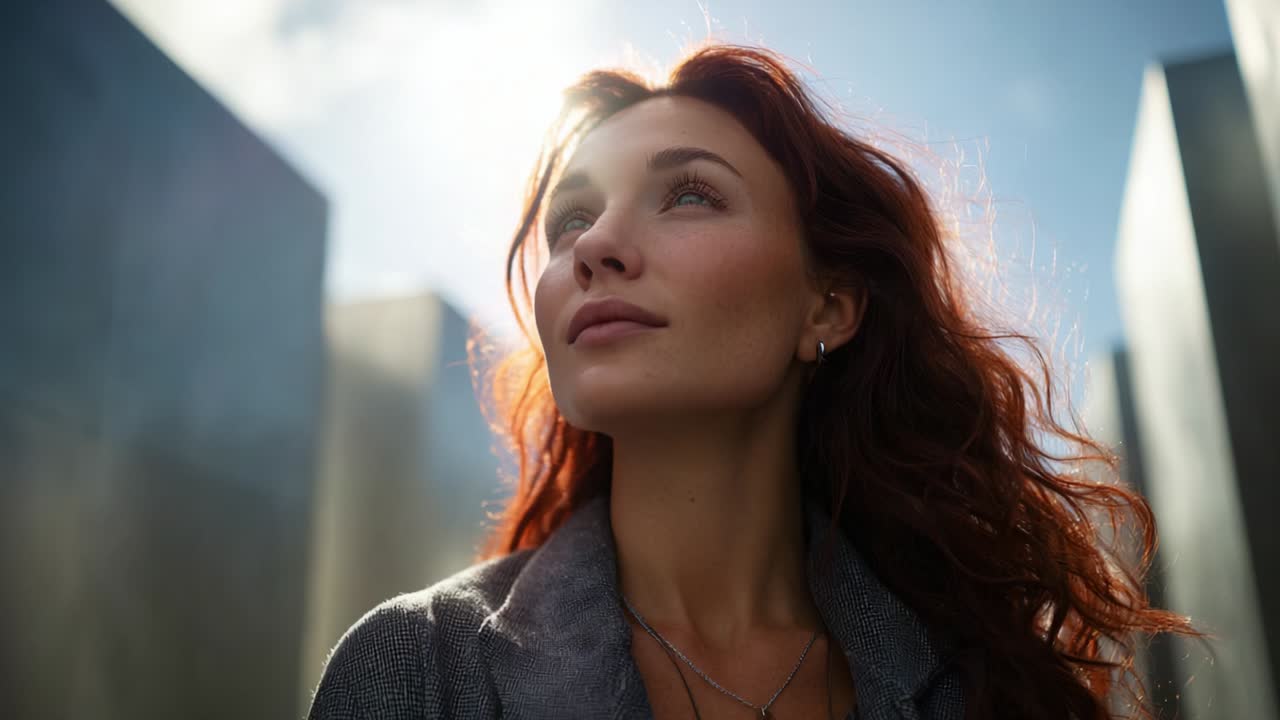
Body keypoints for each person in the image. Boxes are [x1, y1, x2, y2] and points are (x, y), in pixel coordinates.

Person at [306, 43, 1200, 719]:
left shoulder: (999, 689)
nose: (595, 248)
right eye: (571, 218)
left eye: (689, 194)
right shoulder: (418, 670)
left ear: (830, 307)